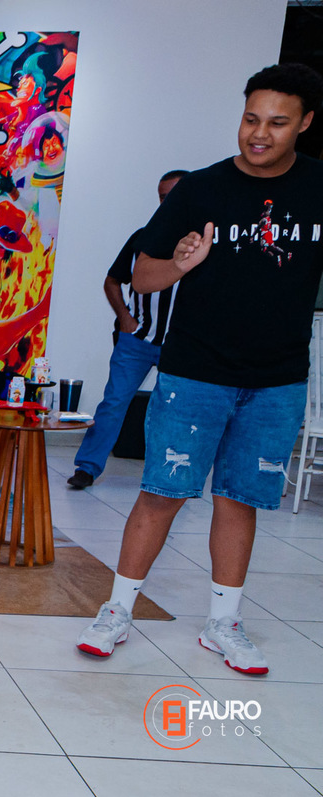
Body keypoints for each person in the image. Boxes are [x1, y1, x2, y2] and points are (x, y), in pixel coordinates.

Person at [77, 64, 323, 675]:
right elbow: (141, 277)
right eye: (250, 119)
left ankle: (223, 624)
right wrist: (183, 264)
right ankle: (117, 611)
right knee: (162, 493)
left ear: (305, 124)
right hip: (195, 373)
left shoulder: (320, 187)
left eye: (277, 122)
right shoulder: (201, 190)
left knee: (239, 500)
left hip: (278, 380)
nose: (259, 133)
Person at [67, 169, 188, 489]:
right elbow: (112, 280)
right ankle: (87, 468)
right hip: (137, 339)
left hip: (181, 344)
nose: (167, 203)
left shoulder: (204, 243)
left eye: (174, 196)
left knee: (175, 409)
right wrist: (125, 318)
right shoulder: (142, 239)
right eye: (162, 197)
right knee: (114, 402)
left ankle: (171, 475)